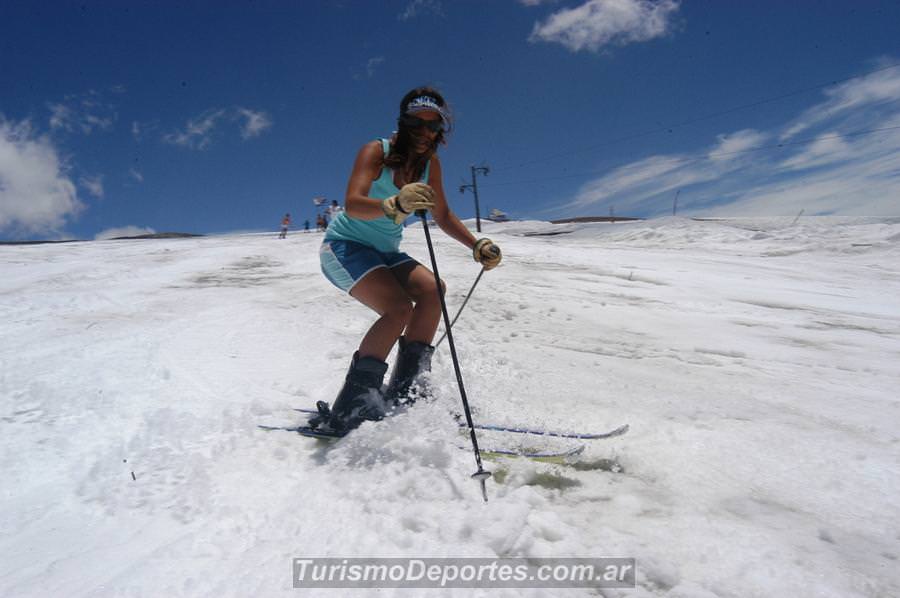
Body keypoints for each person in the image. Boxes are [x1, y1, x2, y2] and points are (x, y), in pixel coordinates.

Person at [315, 86, 502, 433]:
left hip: (386, 252)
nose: (424, 132)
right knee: (399, 309)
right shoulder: (376, 151)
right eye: (417, 123)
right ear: (403, 123)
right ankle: (353, 405)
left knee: (434, 290)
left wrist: (477, 244)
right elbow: (353, 204)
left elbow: (442, 214)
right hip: (344, 247)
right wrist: (395, 204)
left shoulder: (430, 165)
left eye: (433, 126)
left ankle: (405, 393)